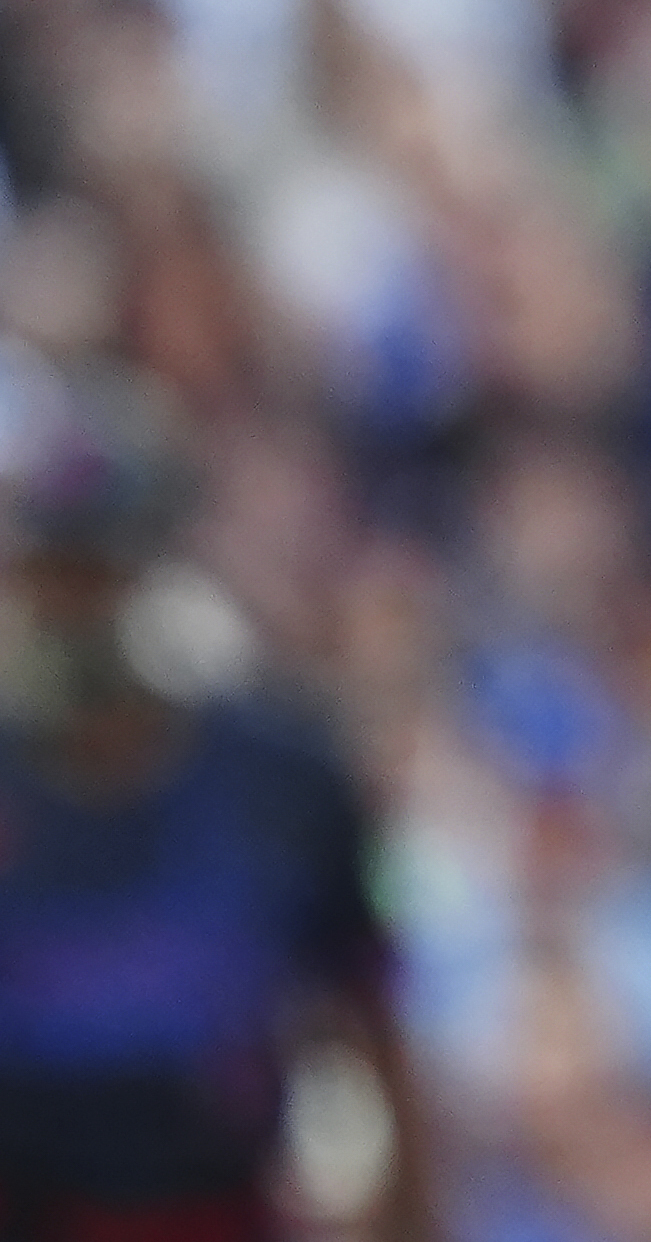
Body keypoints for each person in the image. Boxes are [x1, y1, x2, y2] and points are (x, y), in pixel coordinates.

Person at [0, 382, 435, 1242]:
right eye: (59, 566)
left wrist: (407, 1212)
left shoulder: (285, 774)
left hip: (228, 1207)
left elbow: (372, 1021)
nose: (86, 598)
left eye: (112, 562)